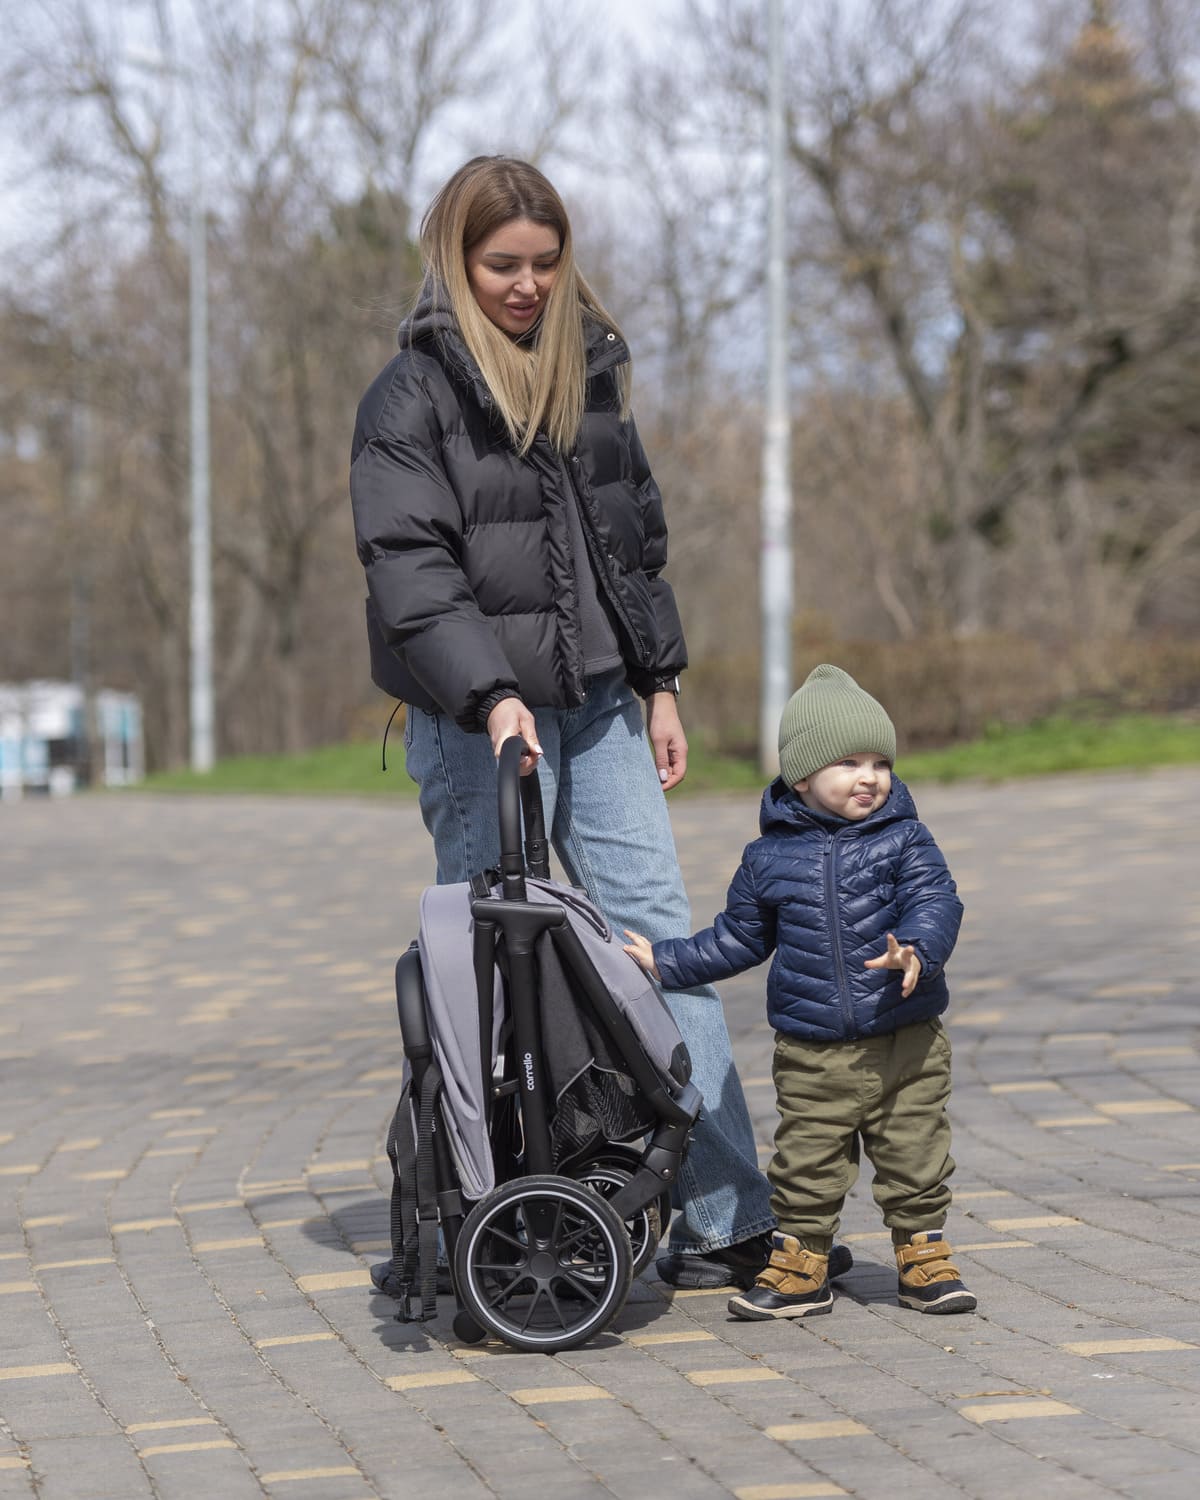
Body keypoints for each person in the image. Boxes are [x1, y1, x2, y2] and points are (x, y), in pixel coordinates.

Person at [350, 154, 788, 1289]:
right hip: (474, 723)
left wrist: (660, 679)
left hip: (598, 712)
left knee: (662, 948)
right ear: (457, 257)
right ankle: (482, 1214)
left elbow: (631, 538)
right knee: (483, 972)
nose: (527, 285)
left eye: (546, 263)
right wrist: (491, 696)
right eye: (503, 264)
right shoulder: (412, 396)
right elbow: (410, 567)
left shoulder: (587, 367)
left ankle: (726, 1215)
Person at [624, 664, 975, 1320]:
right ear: (802, 777)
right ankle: (802, 1262)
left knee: (916, 1152)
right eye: (849, 762)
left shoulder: (906, 840)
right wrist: (664, 962)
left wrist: (917, 951)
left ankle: (923, 1255)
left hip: (906, 1039)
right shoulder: (767, 860)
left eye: (879, 761)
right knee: (807, 1162)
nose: (869, 776)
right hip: (814, 1051)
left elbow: (937, 900)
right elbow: (737, 938)